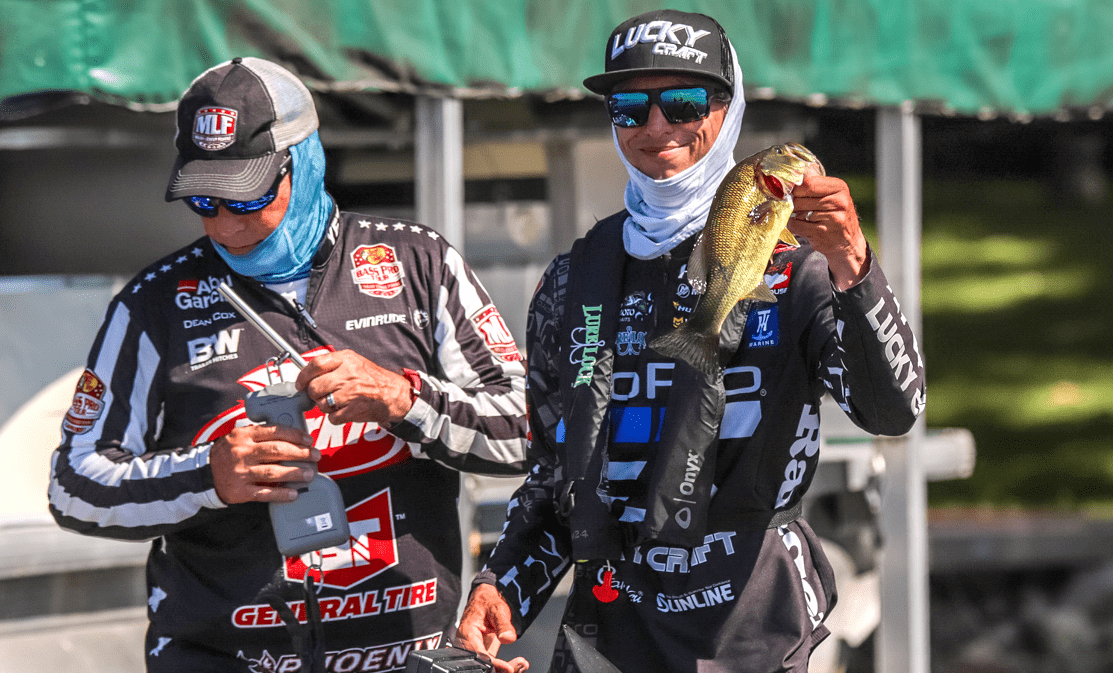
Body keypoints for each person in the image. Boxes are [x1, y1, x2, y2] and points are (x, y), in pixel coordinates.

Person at [456, 9, 926, 673]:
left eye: (683, 103)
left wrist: (853, 261)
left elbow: (894, 409)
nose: (656, 127)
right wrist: (501, 586)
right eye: (628, 108)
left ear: (729, 111)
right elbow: (556, 478)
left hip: (751, 627)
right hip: (610, 627)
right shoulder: (570, 280)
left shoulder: (800, 268)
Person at [48, 56, 528, 671]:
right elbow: (74, 485)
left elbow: (531, 430)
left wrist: (407, 401)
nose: (226, 225)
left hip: (409, 653)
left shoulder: (419, 262)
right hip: (223, 657)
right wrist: (207, 475)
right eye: (203, 200)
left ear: (304, 162)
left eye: (248, 197)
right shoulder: (154, 302)